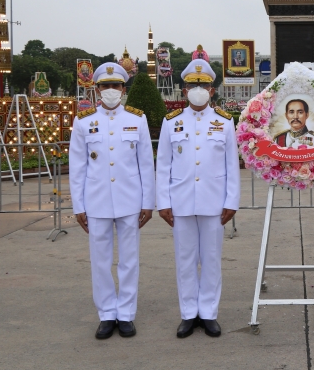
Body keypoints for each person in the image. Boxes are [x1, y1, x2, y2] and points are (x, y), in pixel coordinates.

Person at [69, 63, 155, 339]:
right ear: (96, 89)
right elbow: (77, 167)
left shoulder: (137, 119)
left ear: (123, 89)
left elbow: (146, 164)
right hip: (96, 202)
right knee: (100, 261)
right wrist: (78, 207)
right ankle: (107, 313)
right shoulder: (83, 121)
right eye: (105, 86)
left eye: (115, 85)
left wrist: (148, 202)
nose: (110, 90)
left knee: (129, 261)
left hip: (130, 200)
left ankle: (126, 314)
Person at [156, 59, 240, 338]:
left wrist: (232, 201)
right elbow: (163, 165)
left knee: (212, 258)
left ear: (213, 90)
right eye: (193, 84)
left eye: (203, 84)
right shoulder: (172, 122)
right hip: (180, 202)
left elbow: (232, 166)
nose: (198, 89)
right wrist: (163, 202)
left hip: (214, 202)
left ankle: (209, 313)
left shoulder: (225, 123)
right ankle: (189, 314)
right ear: (183, 90)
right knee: (185, 258)